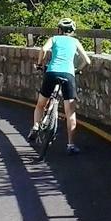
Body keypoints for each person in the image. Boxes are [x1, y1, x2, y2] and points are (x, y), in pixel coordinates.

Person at [28, 18, 91, 155]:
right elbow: (87, 60)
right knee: (70, 113)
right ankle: (71, 145)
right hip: (68, 75)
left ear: (59, 30)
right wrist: (76, 69)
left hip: (51, 72)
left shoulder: (54, 38)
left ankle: (36, 126)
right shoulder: (75, 41)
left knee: (40, 104)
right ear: (72, 31)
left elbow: (43, 49)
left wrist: (40, 64)